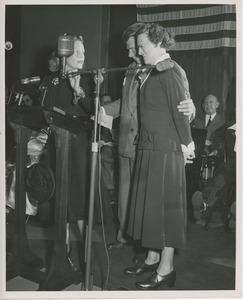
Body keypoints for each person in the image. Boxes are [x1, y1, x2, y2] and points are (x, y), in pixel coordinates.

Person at [102, 23, 195, 250]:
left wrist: (191, 110)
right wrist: (102, 111)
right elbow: (125, 103)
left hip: (154, 145)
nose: (132, 52)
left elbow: (181, 104)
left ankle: (147, 251)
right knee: (129, 198)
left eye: (135, 47)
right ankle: (128, 239)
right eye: (131, 48)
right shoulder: (131, 70)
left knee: (151, 204)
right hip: (129, 142)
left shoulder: (167, 68)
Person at [124, 23, 195, 290]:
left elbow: (181, 111)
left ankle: (166, 269)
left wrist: (188, 146)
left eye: (142, 46)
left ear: (157, 43)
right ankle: (153, 259)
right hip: (151, 148)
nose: (139, 52)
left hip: (165, 150)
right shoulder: (154, 70)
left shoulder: (170, 70)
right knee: (152, 209)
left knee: (165, 212)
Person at [39, 35, 93, 270]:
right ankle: (65, 251)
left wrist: (77, 89)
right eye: (77, 52)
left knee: (80, 199)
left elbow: (93, 111)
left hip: (79, 147)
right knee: (62, 200)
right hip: (58, 146)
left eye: (83, 52)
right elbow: (43, 111)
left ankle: (86, 253)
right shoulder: (49, 81)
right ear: (64, 55)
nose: (82, 56)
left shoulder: (88, 79)